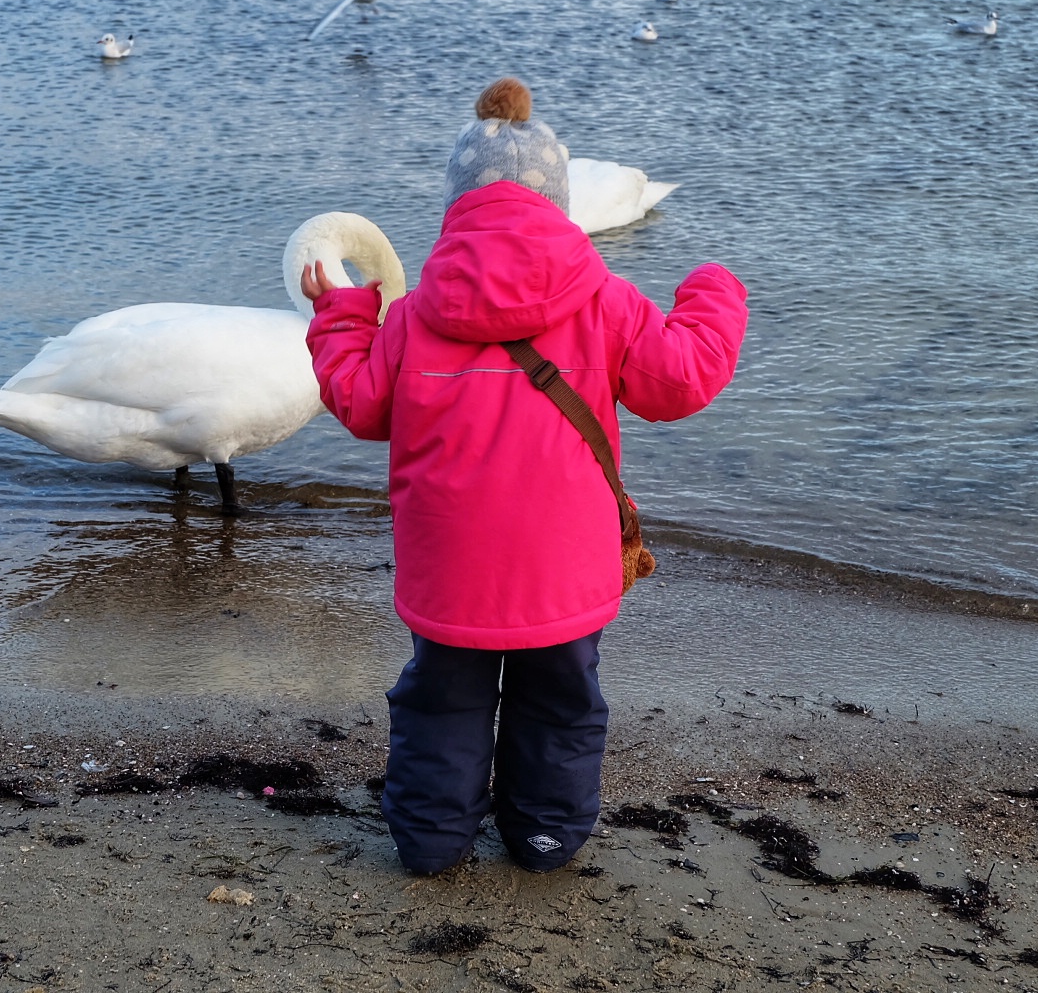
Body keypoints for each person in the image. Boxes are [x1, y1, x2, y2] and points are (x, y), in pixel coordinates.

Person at [301, 77, 748, 875]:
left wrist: (340, 316)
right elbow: (682, 380)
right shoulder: (603, 300)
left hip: (450, 570)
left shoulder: (410, 316)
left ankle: (432, 840)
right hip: (562, 568)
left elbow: (362, 404)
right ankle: (546, 836)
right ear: (558, 203)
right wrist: (713, 290)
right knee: (560, 703)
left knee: (442, 701)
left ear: (457, 203)